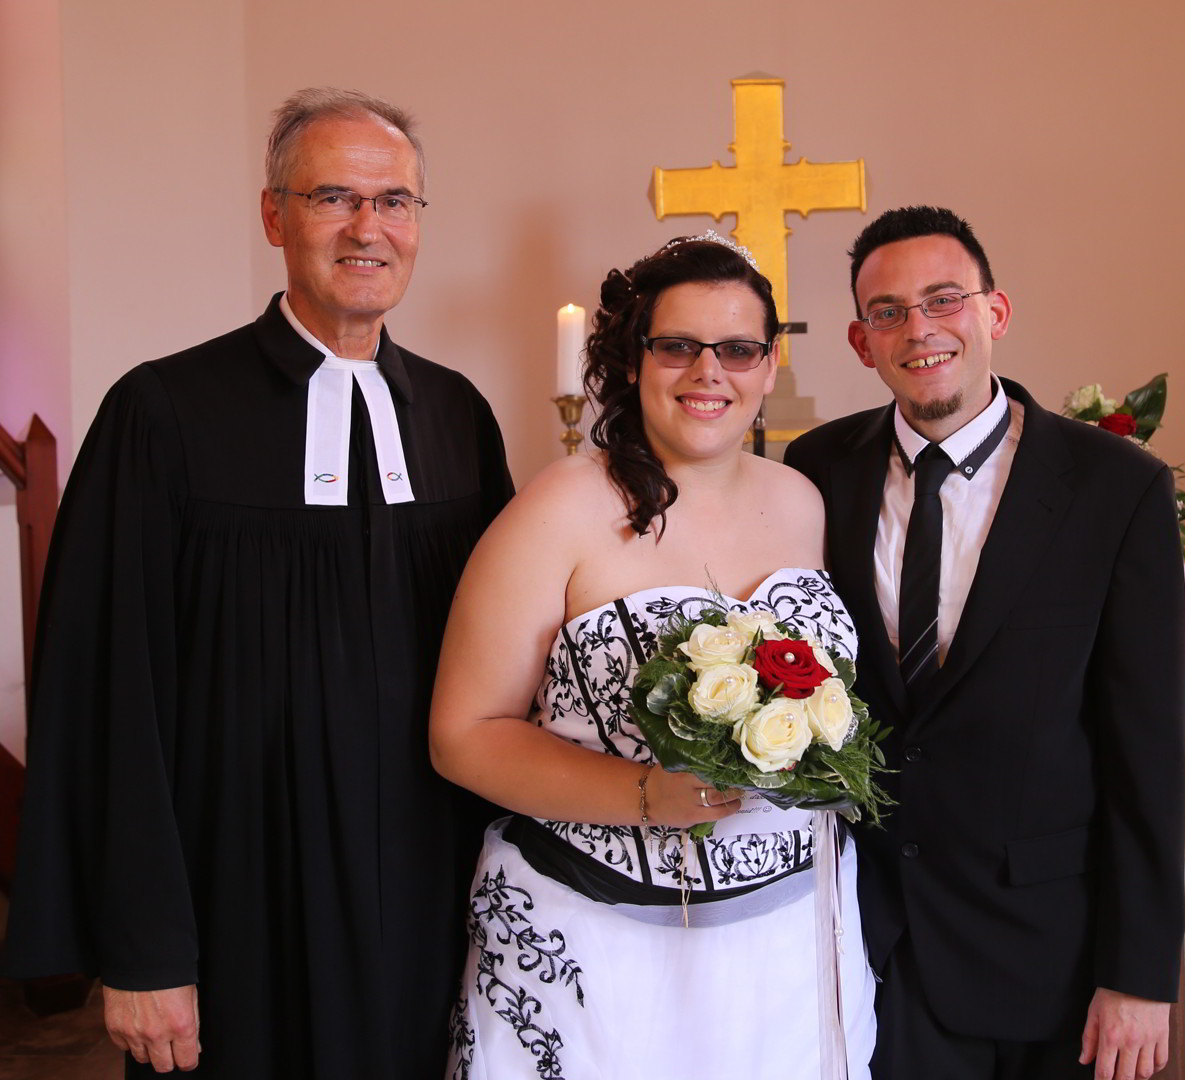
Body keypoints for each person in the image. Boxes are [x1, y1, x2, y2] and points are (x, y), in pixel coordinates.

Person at [4, 88, 512, 1078]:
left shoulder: (457, 417)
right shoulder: (164, 414)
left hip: (426, 905)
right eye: (334, 197)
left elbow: (510, 671)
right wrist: (144, 949)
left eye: (395, 202)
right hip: (236, 909)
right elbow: (111, 694)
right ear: (275, 216)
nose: (370, 227)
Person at [429, 233, 877, 1079]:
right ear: (634, 361)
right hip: (598, 944)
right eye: (678, 345)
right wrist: (641, 794)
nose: (710, 371)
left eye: (738, 348)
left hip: (791, 937)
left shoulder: (803, 501)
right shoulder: (560, 507)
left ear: (768, 364)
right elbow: (463, 733)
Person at [785, 206, 1185, 1080]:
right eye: (887, 312)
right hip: (871, 944)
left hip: (1050, 955)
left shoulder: (1116, 488)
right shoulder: (814, 473)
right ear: (861, 341)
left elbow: (1146, 755)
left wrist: (1141, 974)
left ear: (994, 313)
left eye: (943, 300)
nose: (919, 329)